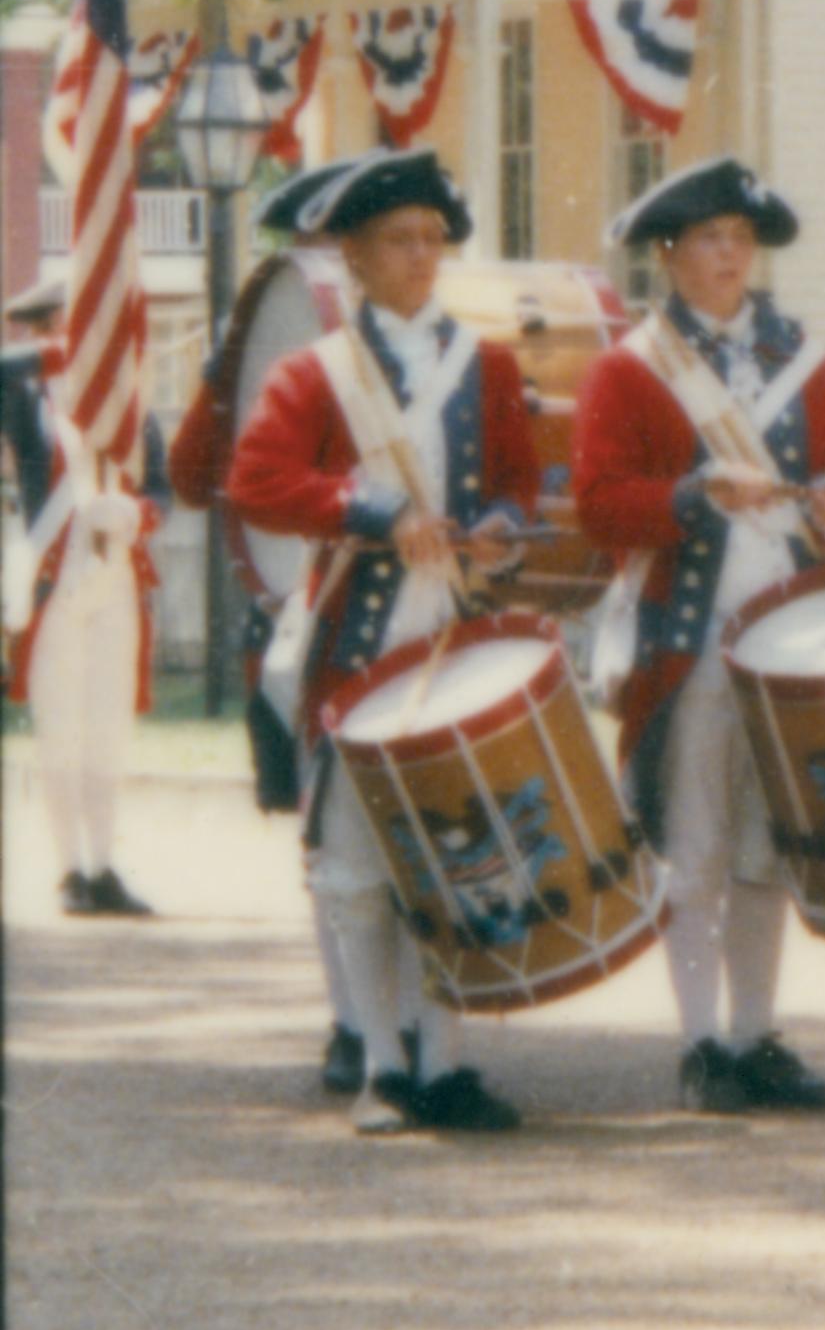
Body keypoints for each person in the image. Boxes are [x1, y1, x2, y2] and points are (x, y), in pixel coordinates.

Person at [227, 148, 538, 1133]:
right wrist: (369, 509)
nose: (420, 256)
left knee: (455, 859)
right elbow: (259, 481)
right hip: (358, 639)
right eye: (399, 240)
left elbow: (521, 485)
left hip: (453, 628)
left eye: (432, 240)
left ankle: (444, 1061)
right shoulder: (312, 371)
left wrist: (499, 527)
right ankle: (378, 1060)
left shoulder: (484, 363)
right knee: (357, 868)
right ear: (353, 256)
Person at [572, 156, 825, 1114]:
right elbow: (601, 504)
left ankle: (757, 1034)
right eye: (708, 238)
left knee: (766, 842)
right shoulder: (629, 368)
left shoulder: (805, 360)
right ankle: (701, 1045)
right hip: (688, 639)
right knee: (691, 844)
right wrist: (693, 495)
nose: (729, 254)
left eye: (740, 238)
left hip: (789, 636)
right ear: (671, 253)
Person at [169, 159, 367, 1091]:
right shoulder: (285, 353)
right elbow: (191, 475)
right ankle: (350, 1021)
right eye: (310, 249)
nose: (317, 270)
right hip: (306, 613)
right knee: (328, 833)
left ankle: (400, 1023)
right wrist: (226, 373)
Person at [2, 273, 161, 918]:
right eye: (65, 325)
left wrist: (133, 513)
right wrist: (65, 355)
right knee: (60, 730)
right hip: (53, 581)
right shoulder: (25, 396)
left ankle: (104, 864)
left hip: (116, 580)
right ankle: (70, 867)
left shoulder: (130, 404)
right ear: (43, 330)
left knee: (107, 730)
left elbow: (167, 492)